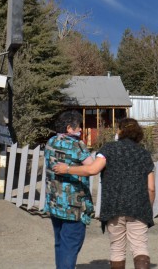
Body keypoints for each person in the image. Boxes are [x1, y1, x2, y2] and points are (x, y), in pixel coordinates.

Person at [54, 118, 155, 269]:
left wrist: (67, 169)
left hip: (113, 206)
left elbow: (92, 170)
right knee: (140, 247)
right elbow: (151, 188)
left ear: (120, 131)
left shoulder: (108, 149)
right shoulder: (145, 154)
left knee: (117, 248)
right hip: (139, 207)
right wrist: (148, 207)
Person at [44, 110, 96, 269]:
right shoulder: (76, 145)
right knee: (71, 246)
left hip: (54, 201)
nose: (80, 130)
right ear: (69, 128)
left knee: (60, 243)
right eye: (78, 127)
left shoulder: (51, 141)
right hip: (73, 205)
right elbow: (91, 166)